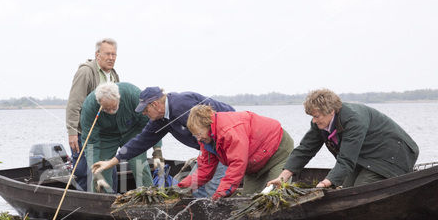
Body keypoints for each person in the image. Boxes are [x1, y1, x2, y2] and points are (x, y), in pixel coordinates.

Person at [91, 86, 235, 197]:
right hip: (210, 149)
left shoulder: (180, 106)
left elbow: (213, 130)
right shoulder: (161, 119)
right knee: (195, 188)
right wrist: (111, 162)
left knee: (211, 189)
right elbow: (140, 142)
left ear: (155, 105)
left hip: (226, 143)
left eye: (146, 110)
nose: (144, 114)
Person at [267, 88, 419, 189]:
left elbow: (346, 159)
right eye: (312, 116)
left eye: (316, 116)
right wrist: (283, 177)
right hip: (364, 158)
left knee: (359, 190)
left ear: (331, 111)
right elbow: (305, 149)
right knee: (346, 188)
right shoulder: (320, 123)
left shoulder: (354, 120)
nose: (313, 120)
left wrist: (325, 183)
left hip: (392, 155)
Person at [177, 105, 294, 199]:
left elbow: (237, 164)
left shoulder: (228, 131)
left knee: (275, 196)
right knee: (248, 200)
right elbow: (204, 169)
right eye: (195, 135)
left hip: (278, 151)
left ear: (208, 125)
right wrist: (183, 188)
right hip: (254, 163)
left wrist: (220, 194)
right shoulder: (206, 139)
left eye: (199, 134)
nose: (198, 139)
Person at [80, 82, 155, 192]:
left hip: (132, 131)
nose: (111, 112)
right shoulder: (89, 107)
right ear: (99, 102)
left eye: (114, 107)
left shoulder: (133, 94)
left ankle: (149, 195)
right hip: (106, 137)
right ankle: (101, 201)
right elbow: (90, 143)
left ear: (118, 97)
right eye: (106, 109)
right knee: (102, 169)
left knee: (139, 165)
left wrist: (157, 148)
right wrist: (96, 173)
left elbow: (151, 123)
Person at [65, 38, 119, 190]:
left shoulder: (114, 75)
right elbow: (74, 105)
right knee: (84, 172)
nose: (111, 58)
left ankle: (109, 205)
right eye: (107, 54)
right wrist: (72, 133)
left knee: (109, 171)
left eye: (114, 54)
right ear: (97, 55)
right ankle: (82, 208)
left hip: (106, 136)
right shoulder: (85, 72)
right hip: (84, 134)